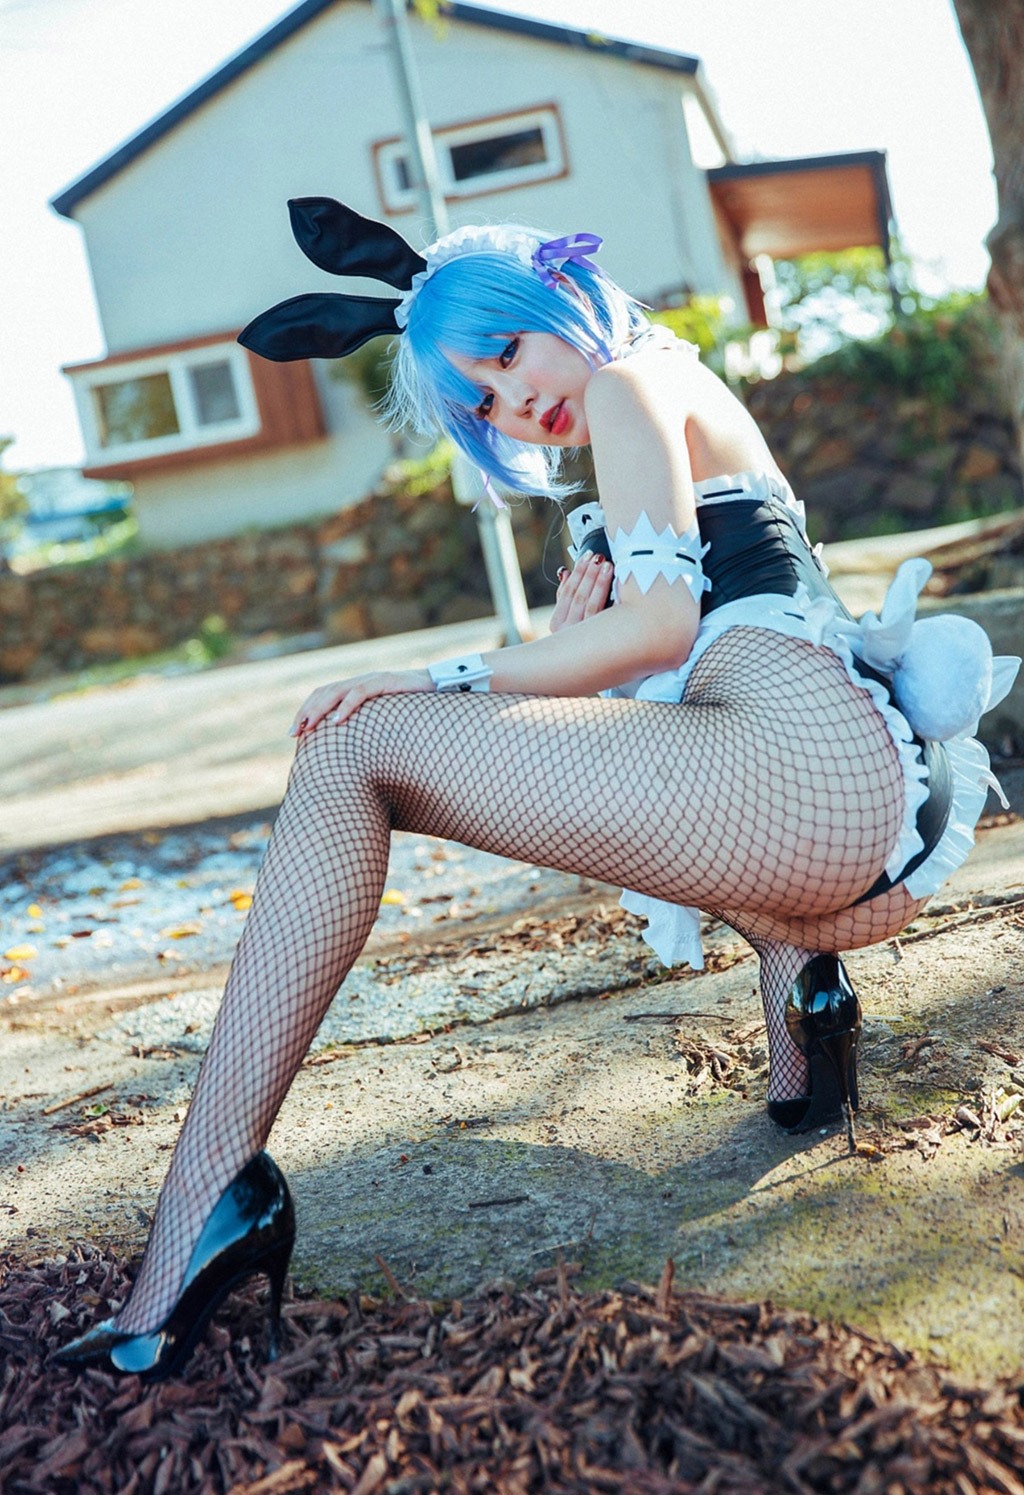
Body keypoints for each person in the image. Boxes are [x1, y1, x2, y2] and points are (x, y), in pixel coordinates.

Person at [55, 198, 1018, 1381]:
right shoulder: (679, 386)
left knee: (352, 744)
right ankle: (806, 1016)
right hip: (857, 808)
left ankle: (214, 1193)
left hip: (805, 781)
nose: (518, 402)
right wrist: (582, 648)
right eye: (487, 403)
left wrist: (433, 675)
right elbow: (715, 636)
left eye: (509, 353)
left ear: (555, 294)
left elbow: (661, 629)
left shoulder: (623, 383)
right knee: (660, 733)